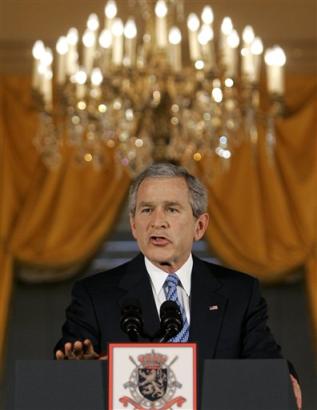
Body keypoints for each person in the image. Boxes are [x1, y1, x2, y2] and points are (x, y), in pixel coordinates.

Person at [55, 162, 302, 409]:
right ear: (133, 225)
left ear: (200, 226)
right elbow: (68, 363)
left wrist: (283, 375)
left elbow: (266, 362)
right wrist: (81, 370)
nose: (157, 222)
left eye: (171, 209)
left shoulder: (240, 293)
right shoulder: (94, 295)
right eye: (146, 210)